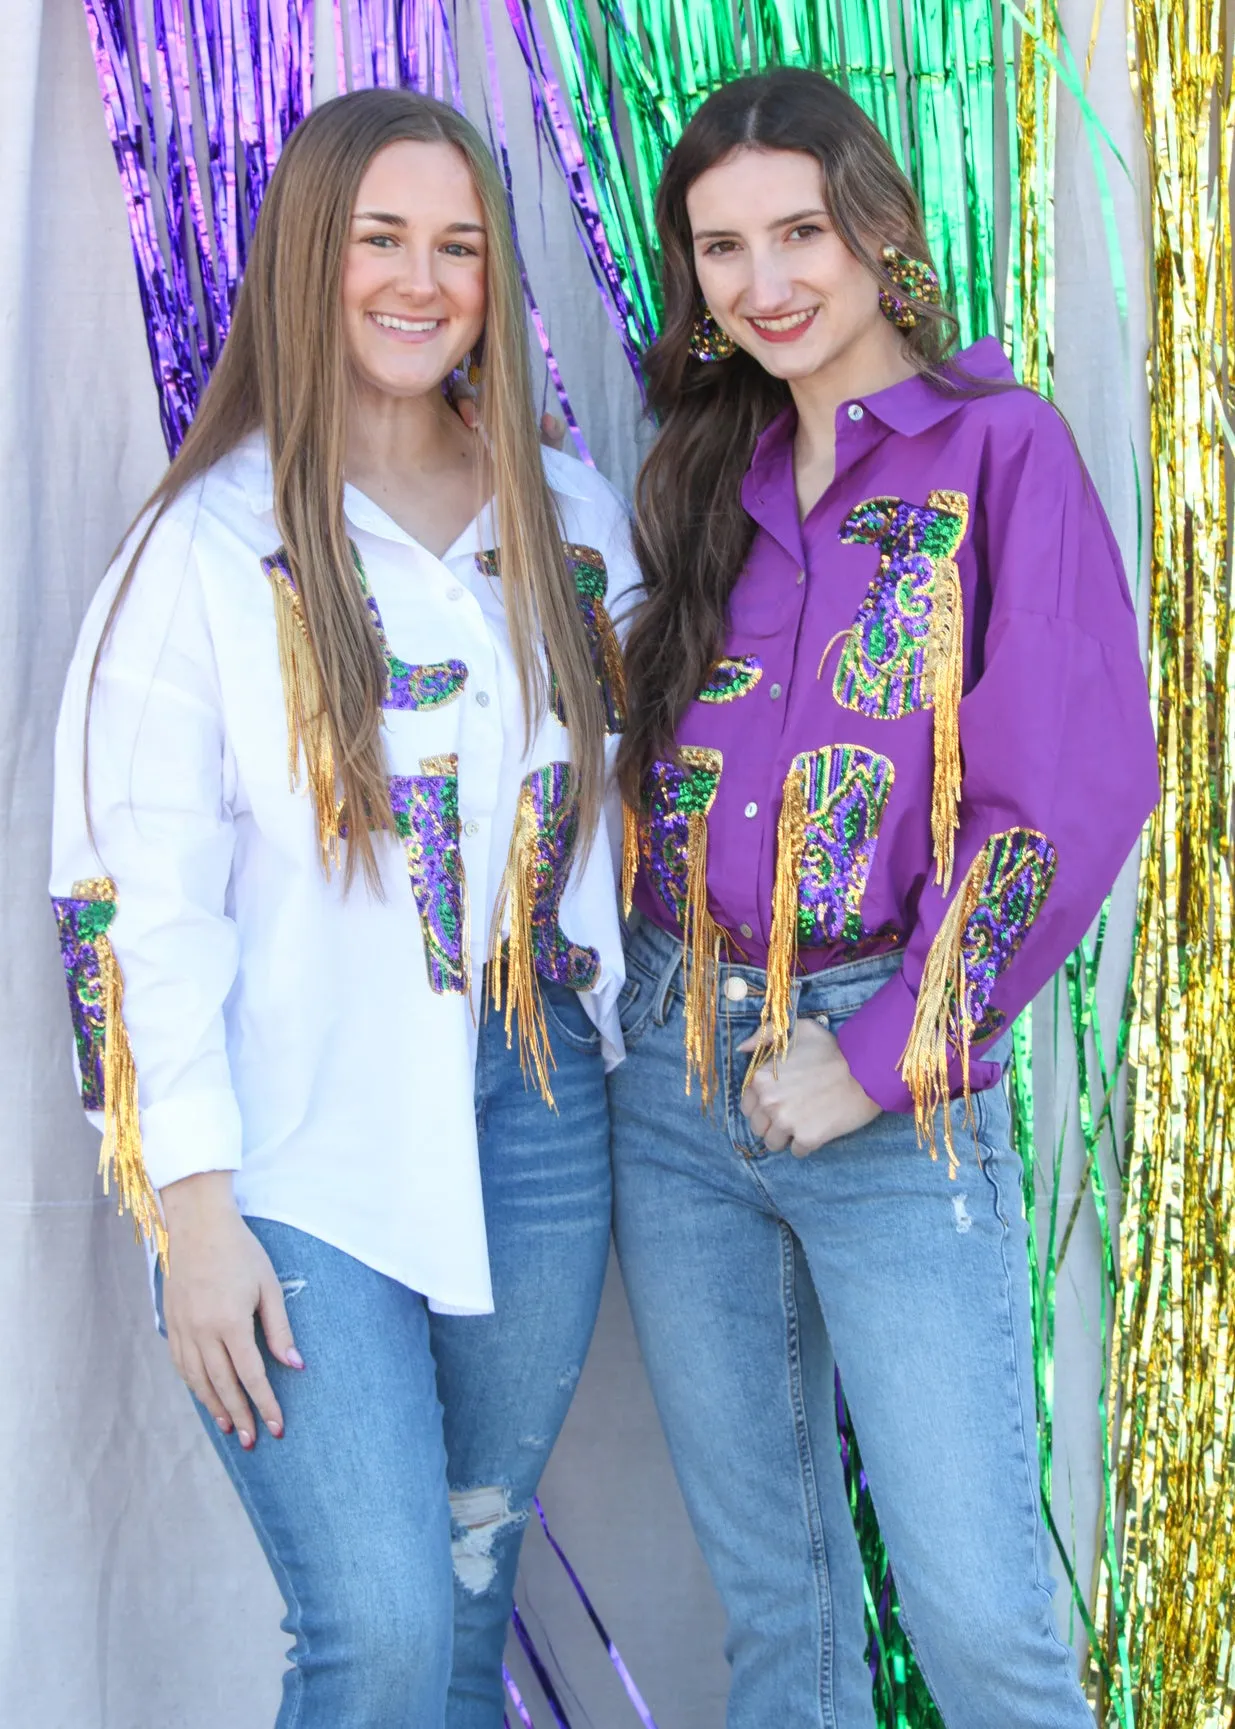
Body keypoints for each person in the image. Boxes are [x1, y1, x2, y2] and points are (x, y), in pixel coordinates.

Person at [50, 87, 636, 1729]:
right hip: (297, 1156)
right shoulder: (208, 547)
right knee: (375, 1627)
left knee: (459, 1606)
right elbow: (125, 899)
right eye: (379, 236)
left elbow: (666, 792)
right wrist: (195, 1210)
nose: (419, 278)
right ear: (309, 259)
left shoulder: (571, 526)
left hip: (535, 1118)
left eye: (457, 245)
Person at [611, 66, 1157, 1729]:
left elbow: (1060, 792)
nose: (765, 283)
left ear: (877, 229)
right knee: (784, 1618)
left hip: (883, 1070)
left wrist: (872, 1061)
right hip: (670, 1063)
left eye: (799, 231)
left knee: (982, 1624)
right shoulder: (709, 472)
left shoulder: (1002, 451)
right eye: (719, 250)